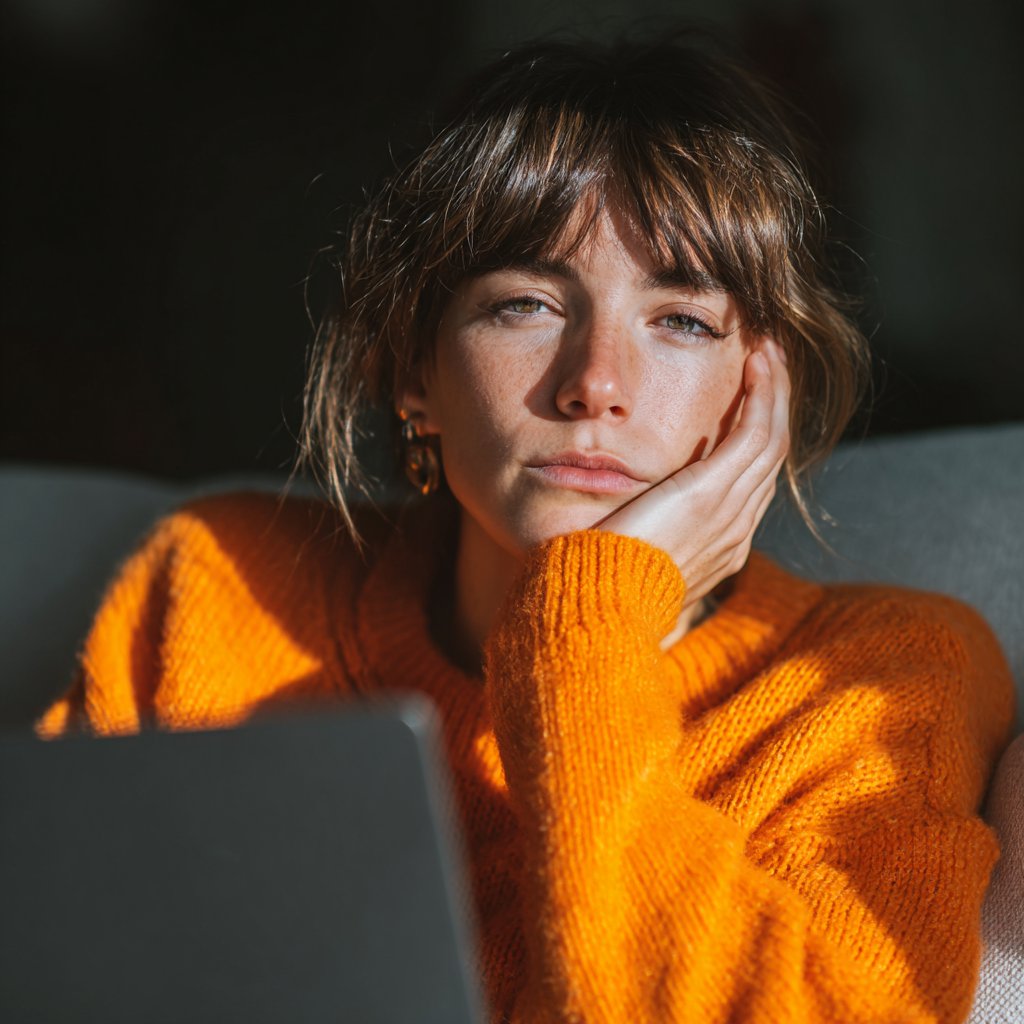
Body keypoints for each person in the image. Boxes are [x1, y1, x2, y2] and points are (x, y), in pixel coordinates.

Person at [38, 34, 1015, 1024]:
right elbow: (52, 952)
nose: (594, 383)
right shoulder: (225, 579)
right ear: (413, 371)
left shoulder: (883, 676)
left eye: (679, 320)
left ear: (755, 387)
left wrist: (588, 629)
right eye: (526, 304)